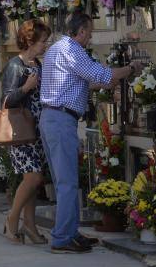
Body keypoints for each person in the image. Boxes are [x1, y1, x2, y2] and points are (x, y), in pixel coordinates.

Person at [40, 13, 142, 254]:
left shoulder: (57, 48)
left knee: (63, 181)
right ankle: (62, 238)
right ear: (82, 31)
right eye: (90, 33)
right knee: (67, 183)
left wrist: (110, 82)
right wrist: (130, 68)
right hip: (61, 120)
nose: (91, 38)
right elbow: (102, 76)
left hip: (52, 117)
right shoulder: (72, 50)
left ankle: (70, 232)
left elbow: (81, 83)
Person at [0, 19, 52, 244]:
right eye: (42, 41)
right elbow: (7, 99)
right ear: (30, 41)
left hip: (38, 131)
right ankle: (12, 219)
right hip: (22, 133)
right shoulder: (16, 65)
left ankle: (30, 225)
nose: (45, 45)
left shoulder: (38, 64)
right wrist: (26, 88)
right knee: (33, 177)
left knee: (33, 180)